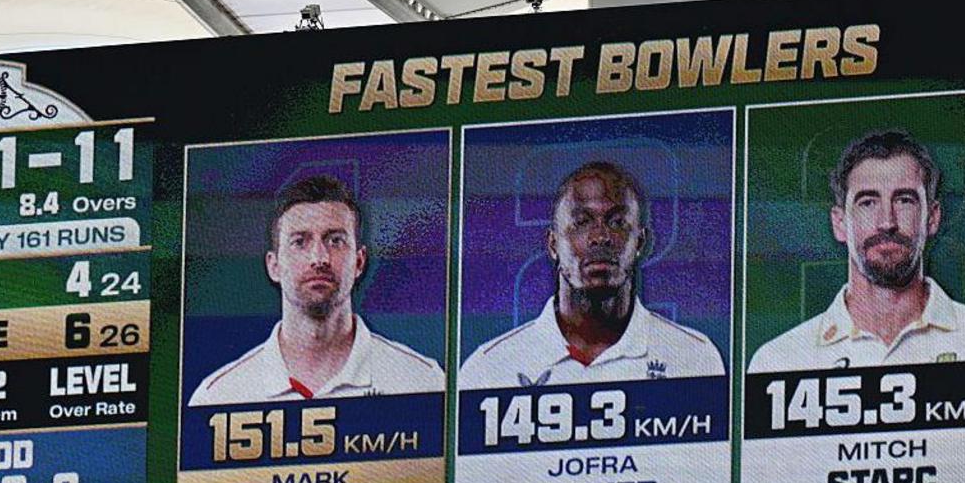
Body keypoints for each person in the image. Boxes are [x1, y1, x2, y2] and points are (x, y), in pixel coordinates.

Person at [749, 130, 965, 372]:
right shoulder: (780, 361)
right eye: (867, 202)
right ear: (840, 223)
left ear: (932, 217)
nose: (887, 222)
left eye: (904, 200)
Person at [459, 161, 725, 389]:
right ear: (553, 244)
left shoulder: (693, 359)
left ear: (640, 243)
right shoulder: (489, 370)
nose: (600, 237)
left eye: (617, 222)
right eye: (582, 222)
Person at [189, 175, 444, 405]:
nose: (319, 258)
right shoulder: (219, 397)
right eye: (300, 242)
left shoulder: (421, 382)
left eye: (335, 241)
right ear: (273, 265)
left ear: (359, 261)